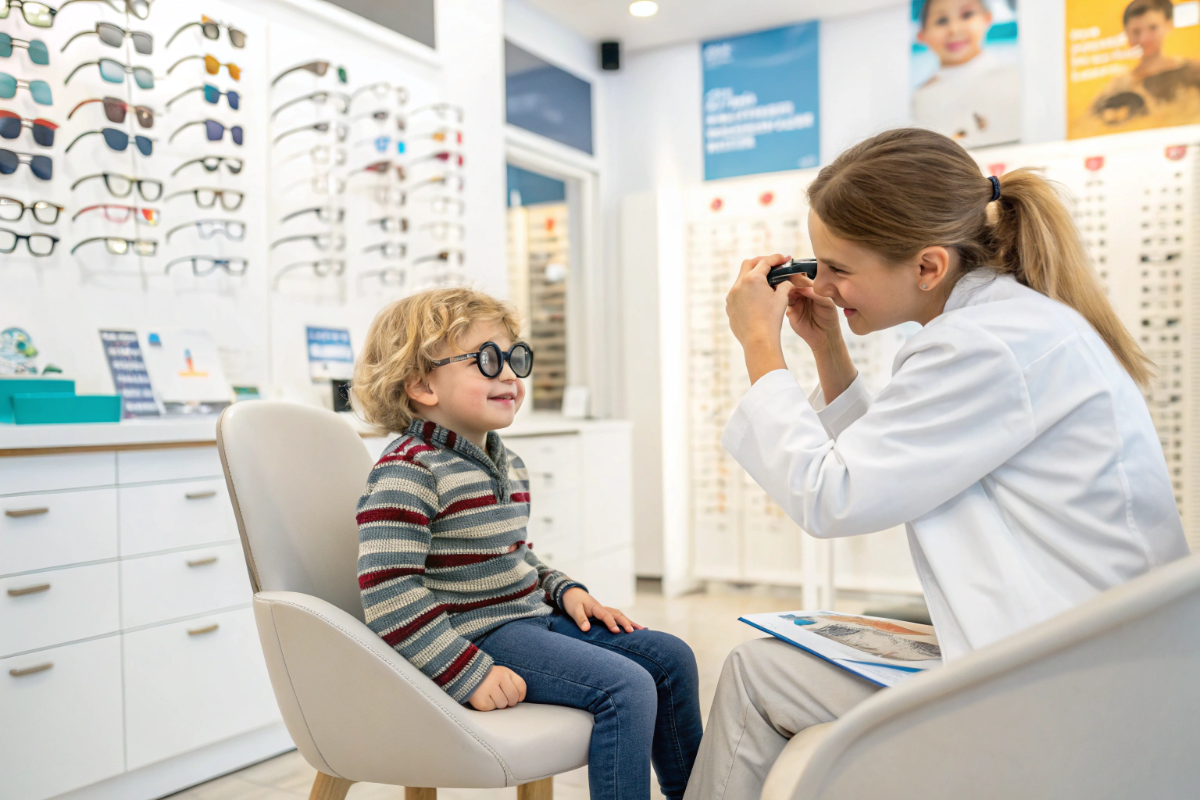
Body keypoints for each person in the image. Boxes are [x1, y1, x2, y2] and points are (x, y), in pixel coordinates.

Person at [683, 127, 1189, 799]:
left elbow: (833, 497)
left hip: (1067, 681)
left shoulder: (981, 344)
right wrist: (829, 354)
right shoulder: (1003, 324)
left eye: (839, 267)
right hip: (1084, 650)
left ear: (927, 267)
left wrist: (758, 346)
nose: (823, 285)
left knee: (756, 673)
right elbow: (895, 471)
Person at [352, 287, 703, 800]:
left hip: (530, 617)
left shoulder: (503, 459)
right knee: (624, 688)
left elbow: (513, 556)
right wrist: (467, 671)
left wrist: (563, 589)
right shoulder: (407, 471)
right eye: (487, 361)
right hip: (478, 632)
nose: (511, 375)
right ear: (422, 384)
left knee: (671, 657)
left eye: (514, 358)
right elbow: (386, 592)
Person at [912, 0, 1020, 147]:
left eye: (967, 15)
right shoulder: (920, 100)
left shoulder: (1015, 78)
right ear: (922, 35)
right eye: (941, 21)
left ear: (987, 18)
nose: (954, 29)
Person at [1092, 0, 1200, 127]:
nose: (1144, 39)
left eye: (1153, 28)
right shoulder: (1118, 86)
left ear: (1168, 25)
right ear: (1126, 33)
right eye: (1136, 32)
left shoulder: (1193, 70)